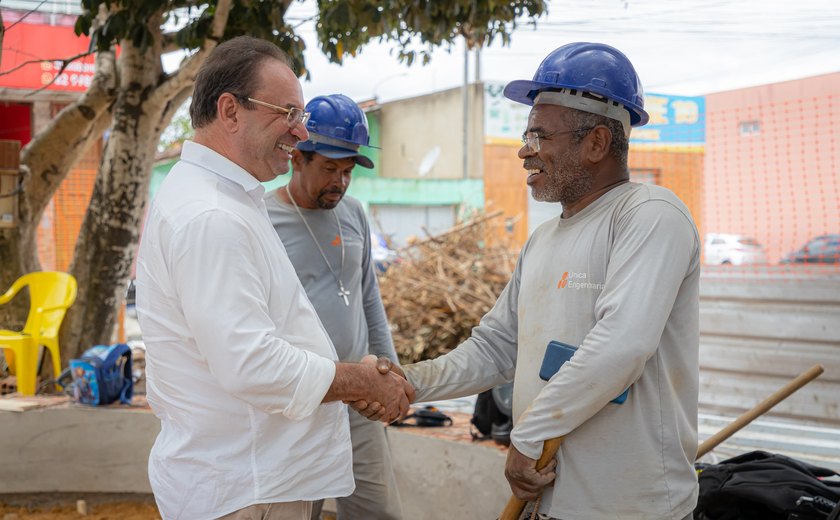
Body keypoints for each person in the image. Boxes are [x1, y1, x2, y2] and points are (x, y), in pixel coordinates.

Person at [370, 42, 701, 519]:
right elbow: (497, 348)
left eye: (540, 135)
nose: (526, 151)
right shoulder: (543, 240)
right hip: (554, 501)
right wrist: (410, 384)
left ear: (597, 143)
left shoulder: (649, 215)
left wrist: (529, 435)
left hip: (630, 507)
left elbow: (622, 345)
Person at [135, 36, 413, 520]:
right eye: (287, 113)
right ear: (230, 110)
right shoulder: (212, 216)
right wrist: (356, 381)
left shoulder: (229, 199)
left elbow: (360, 301)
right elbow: (251, 364)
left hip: (258, 476)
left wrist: (374, 375)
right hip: (249, 486)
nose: (300, 132)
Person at [265, 94, 404, 520]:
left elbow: (367, 298)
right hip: (303, 402)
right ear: (297, 158)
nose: (340, 182)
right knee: (298, 513)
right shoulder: (262, 220)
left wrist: (391, 372)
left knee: (379, 513)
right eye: (329, 168)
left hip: (361, 398)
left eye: (347, 171)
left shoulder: (355, 214)